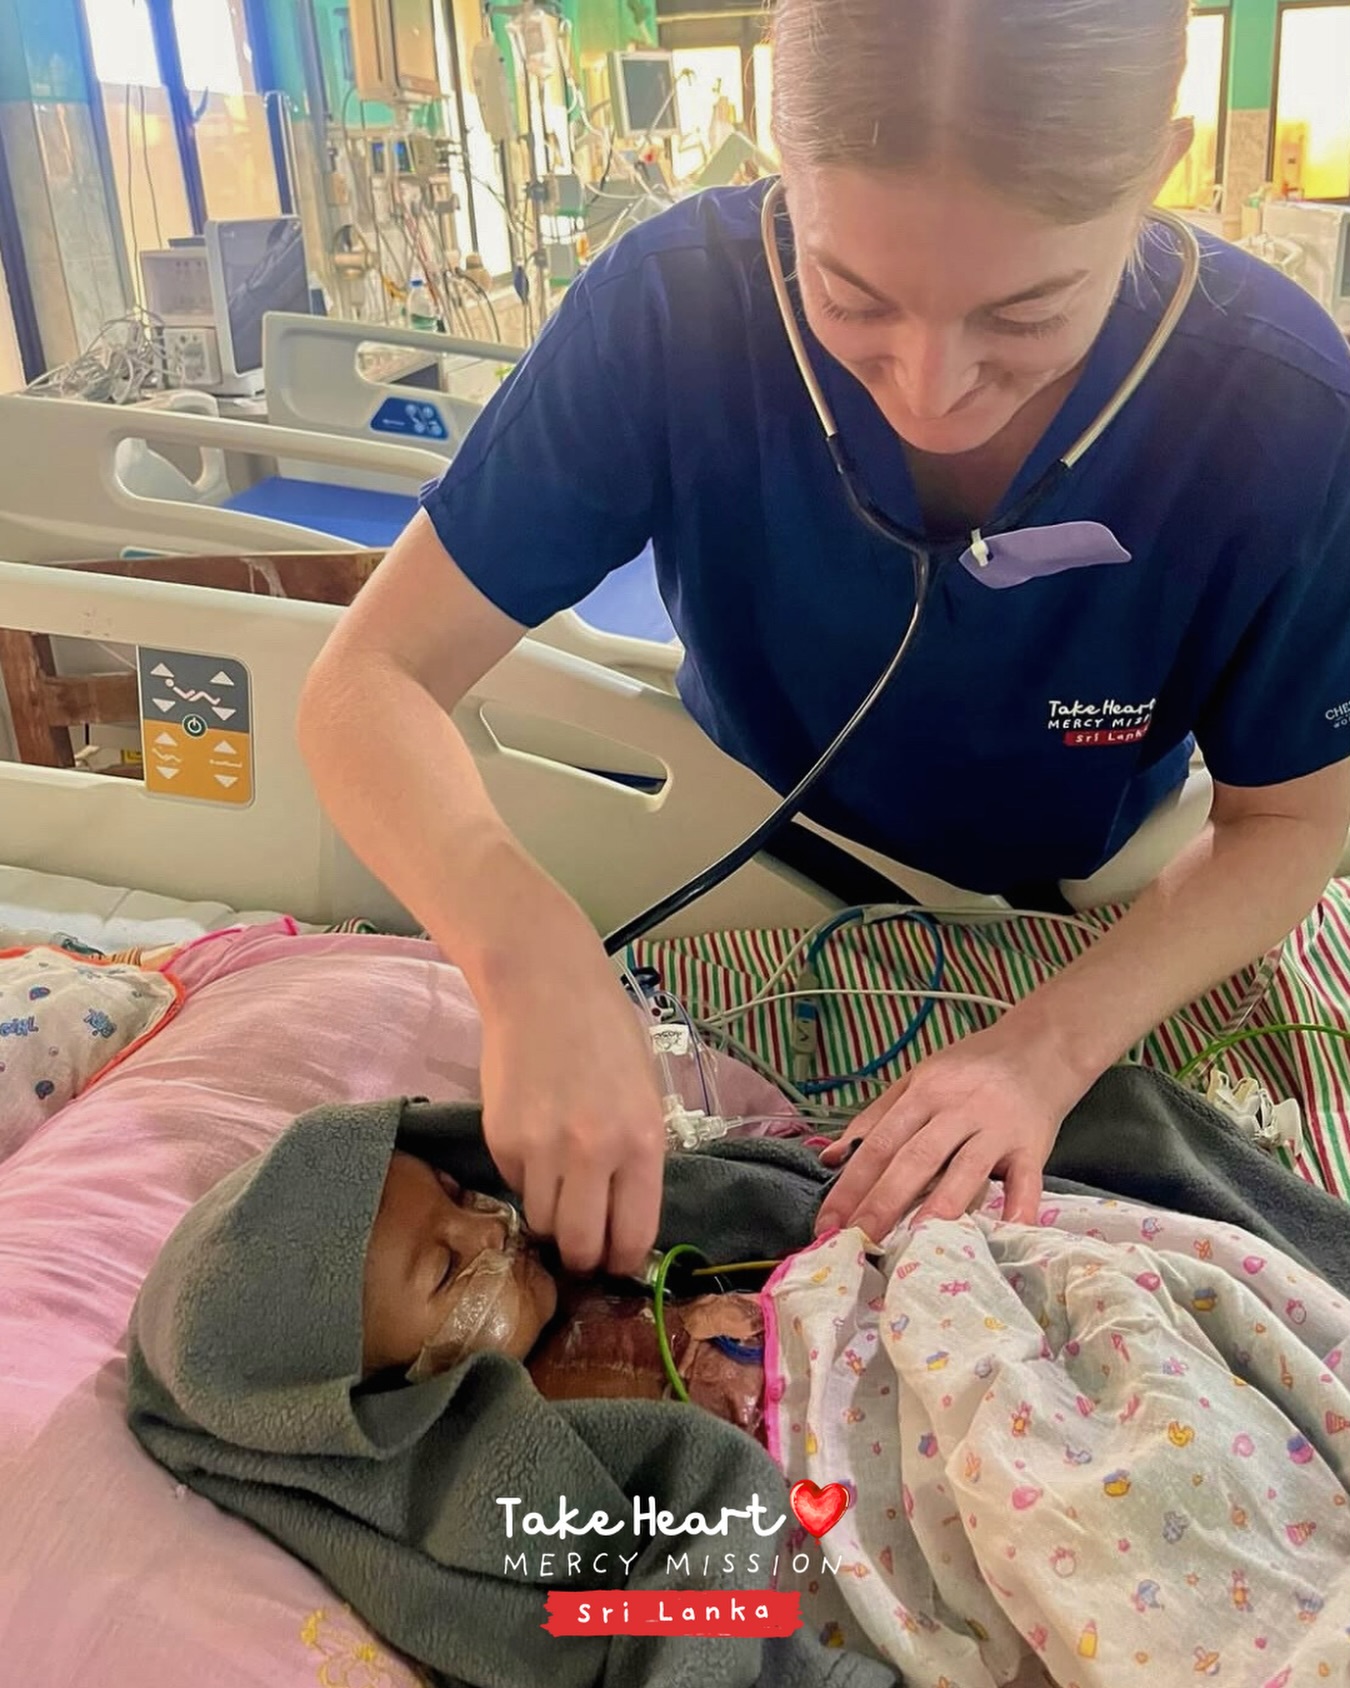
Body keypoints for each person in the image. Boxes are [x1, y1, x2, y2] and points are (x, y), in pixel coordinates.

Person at [299, 0, 1350, 1278]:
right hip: (735, 828)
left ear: (1159, 168)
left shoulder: (1279, 409)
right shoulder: (675, 309)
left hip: (1087, 902)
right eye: (852, 297)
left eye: (1024, 319)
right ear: (776, 171)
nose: (930, 390)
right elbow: (368, 678)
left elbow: (1296, 819)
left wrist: (1049, 1048)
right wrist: (524, 950)